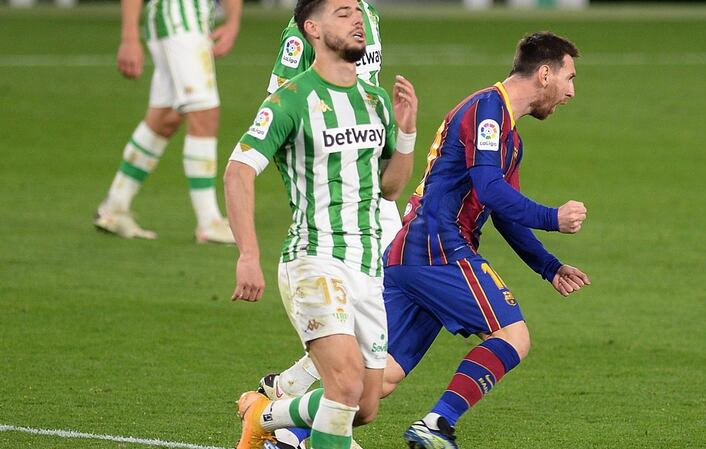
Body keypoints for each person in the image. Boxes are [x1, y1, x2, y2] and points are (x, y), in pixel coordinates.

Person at [251, 31, 591, 449]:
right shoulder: (488, 110)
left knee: (379, 381)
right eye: (569, 78)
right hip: (438, 244)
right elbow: (488, 188)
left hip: (413, 249)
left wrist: (548, 265)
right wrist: (553, 217)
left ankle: (280, 428)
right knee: (513, 336)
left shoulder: (509, 137)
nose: (571, 91)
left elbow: (503, 209)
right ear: (543, 74)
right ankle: (437, 424)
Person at [223, 0, 417, 447]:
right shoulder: (291, 100)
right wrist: (248, 254)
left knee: (364, 407)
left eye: (358, 12)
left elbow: (390, 188)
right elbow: (239, 170)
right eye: (343, 12)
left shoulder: (376, 100)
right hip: (314, 258)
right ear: (312, 28)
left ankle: (263, 414)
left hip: (367, 267)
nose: (358, 20)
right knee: (344, 387)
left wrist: (406, 134)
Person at [94, 0, 241, 243]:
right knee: (203, 111)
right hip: (178, 16)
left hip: (193, 17)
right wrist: (129, 36)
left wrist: (233, 21)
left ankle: (115, 208)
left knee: (165, 118)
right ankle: (209, 222)